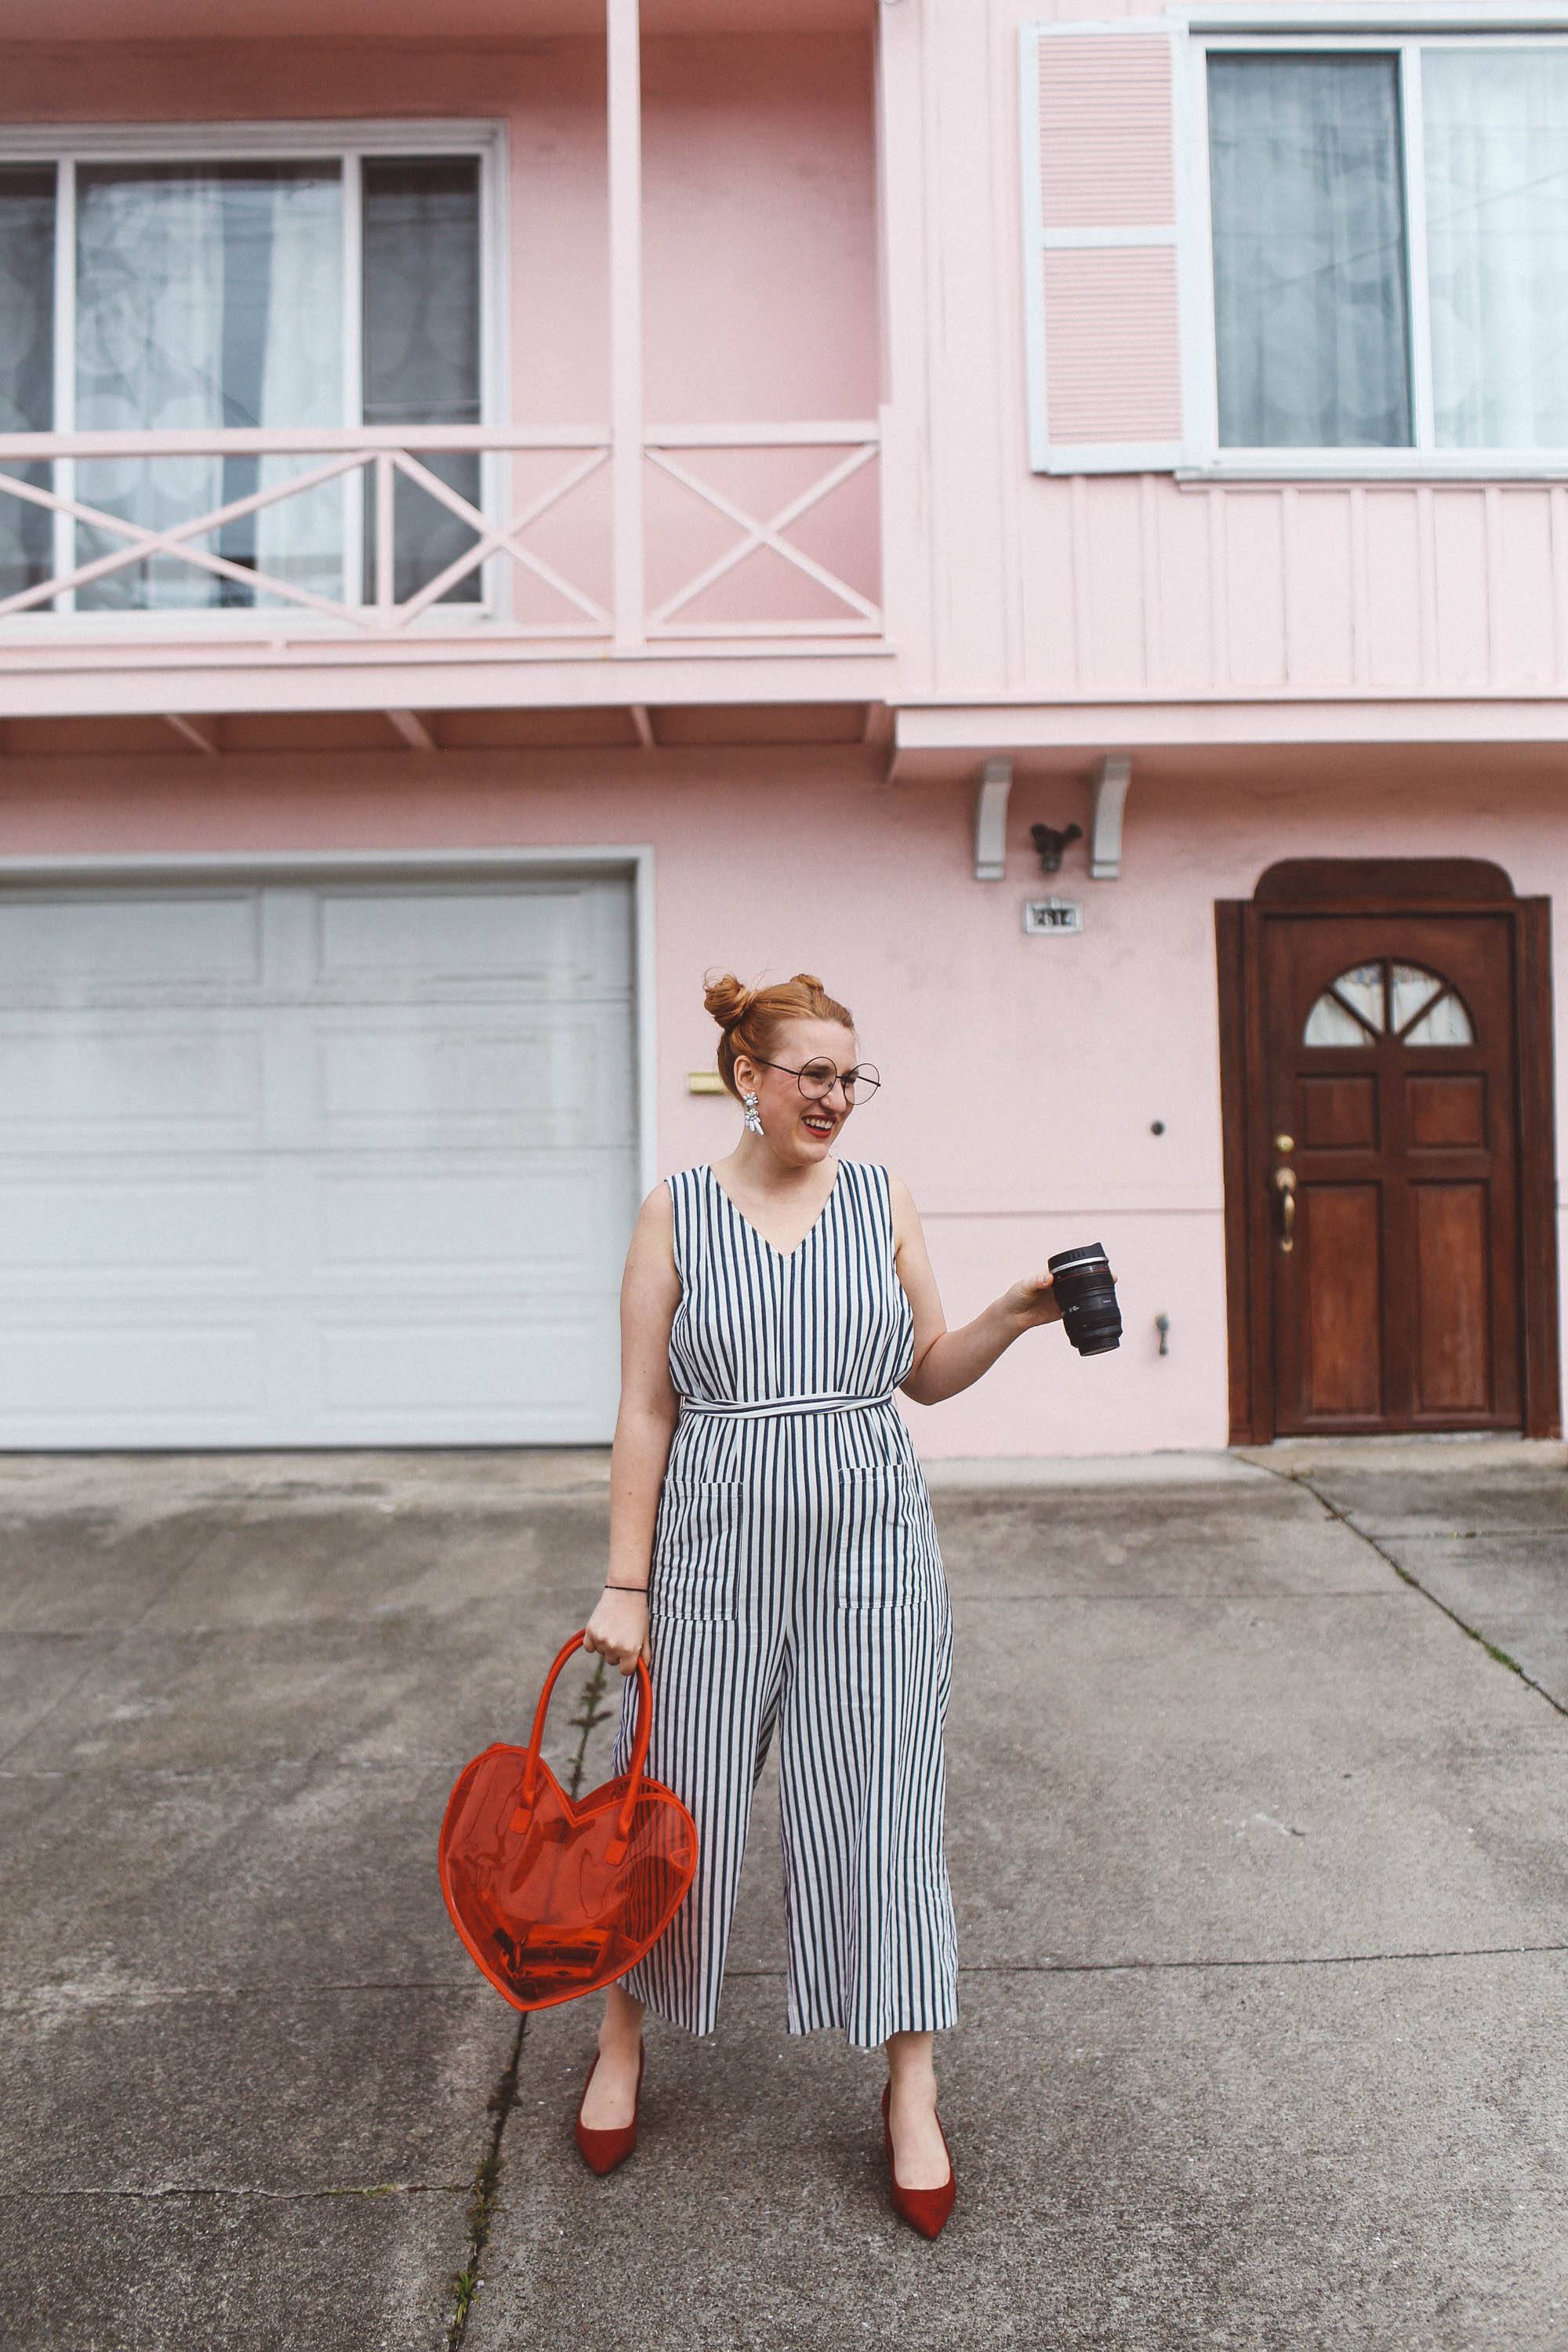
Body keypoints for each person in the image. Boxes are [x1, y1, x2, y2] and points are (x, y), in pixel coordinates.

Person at [576, 971, 1062, 2238]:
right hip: (711, 1553)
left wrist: (1017, 1310)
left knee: (887, 1802)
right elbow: (644, 1408)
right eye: (815, 1076)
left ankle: (912, 2093)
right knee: (670, 1799)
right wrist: (624, 1584)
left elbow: (926, 1373)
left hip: (875, 1554)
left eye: (853, 1078)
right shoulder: (676, 1211)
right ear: (749, 1078)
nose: (838, 1100)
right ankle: (621, 2042)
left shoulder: (881, 1196)